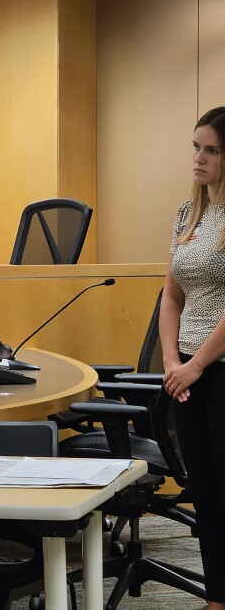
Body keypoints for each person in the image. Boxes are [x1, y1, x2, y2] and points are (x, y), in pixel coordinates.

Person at [160, 106, 225, 610]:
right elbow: (171, 297)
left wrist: (197, 363)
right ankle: (216, 597)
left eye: (211, 150)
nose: (198, 159)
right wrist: (171, 364)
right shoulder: (188, 214)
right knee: (204, 490)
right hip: (184, 370)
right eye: (195, 147)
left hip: (218, 368)